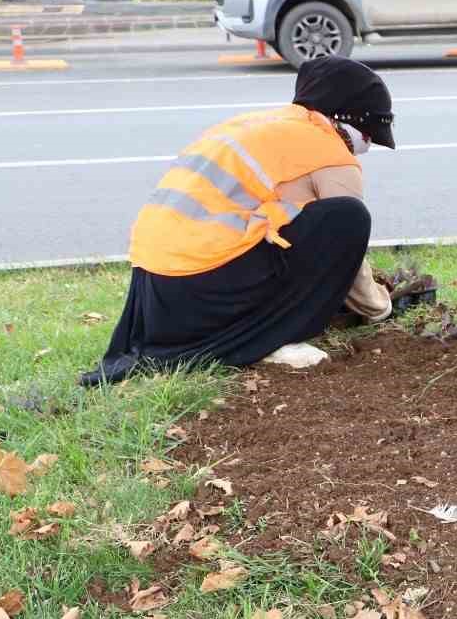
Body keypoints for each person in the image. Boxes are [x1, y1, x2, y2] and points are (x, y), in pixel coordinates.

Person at [81, 57, 396, 386]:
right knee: (349, 217)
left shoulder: (258, 126)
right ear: (345, 118)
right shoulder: (327, 148)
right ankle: (269, 338)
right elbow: (346, 248)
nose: (368, 144)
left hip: (157, 300)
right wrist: (378, 307)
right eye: (369, 134)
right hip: (202, 293)